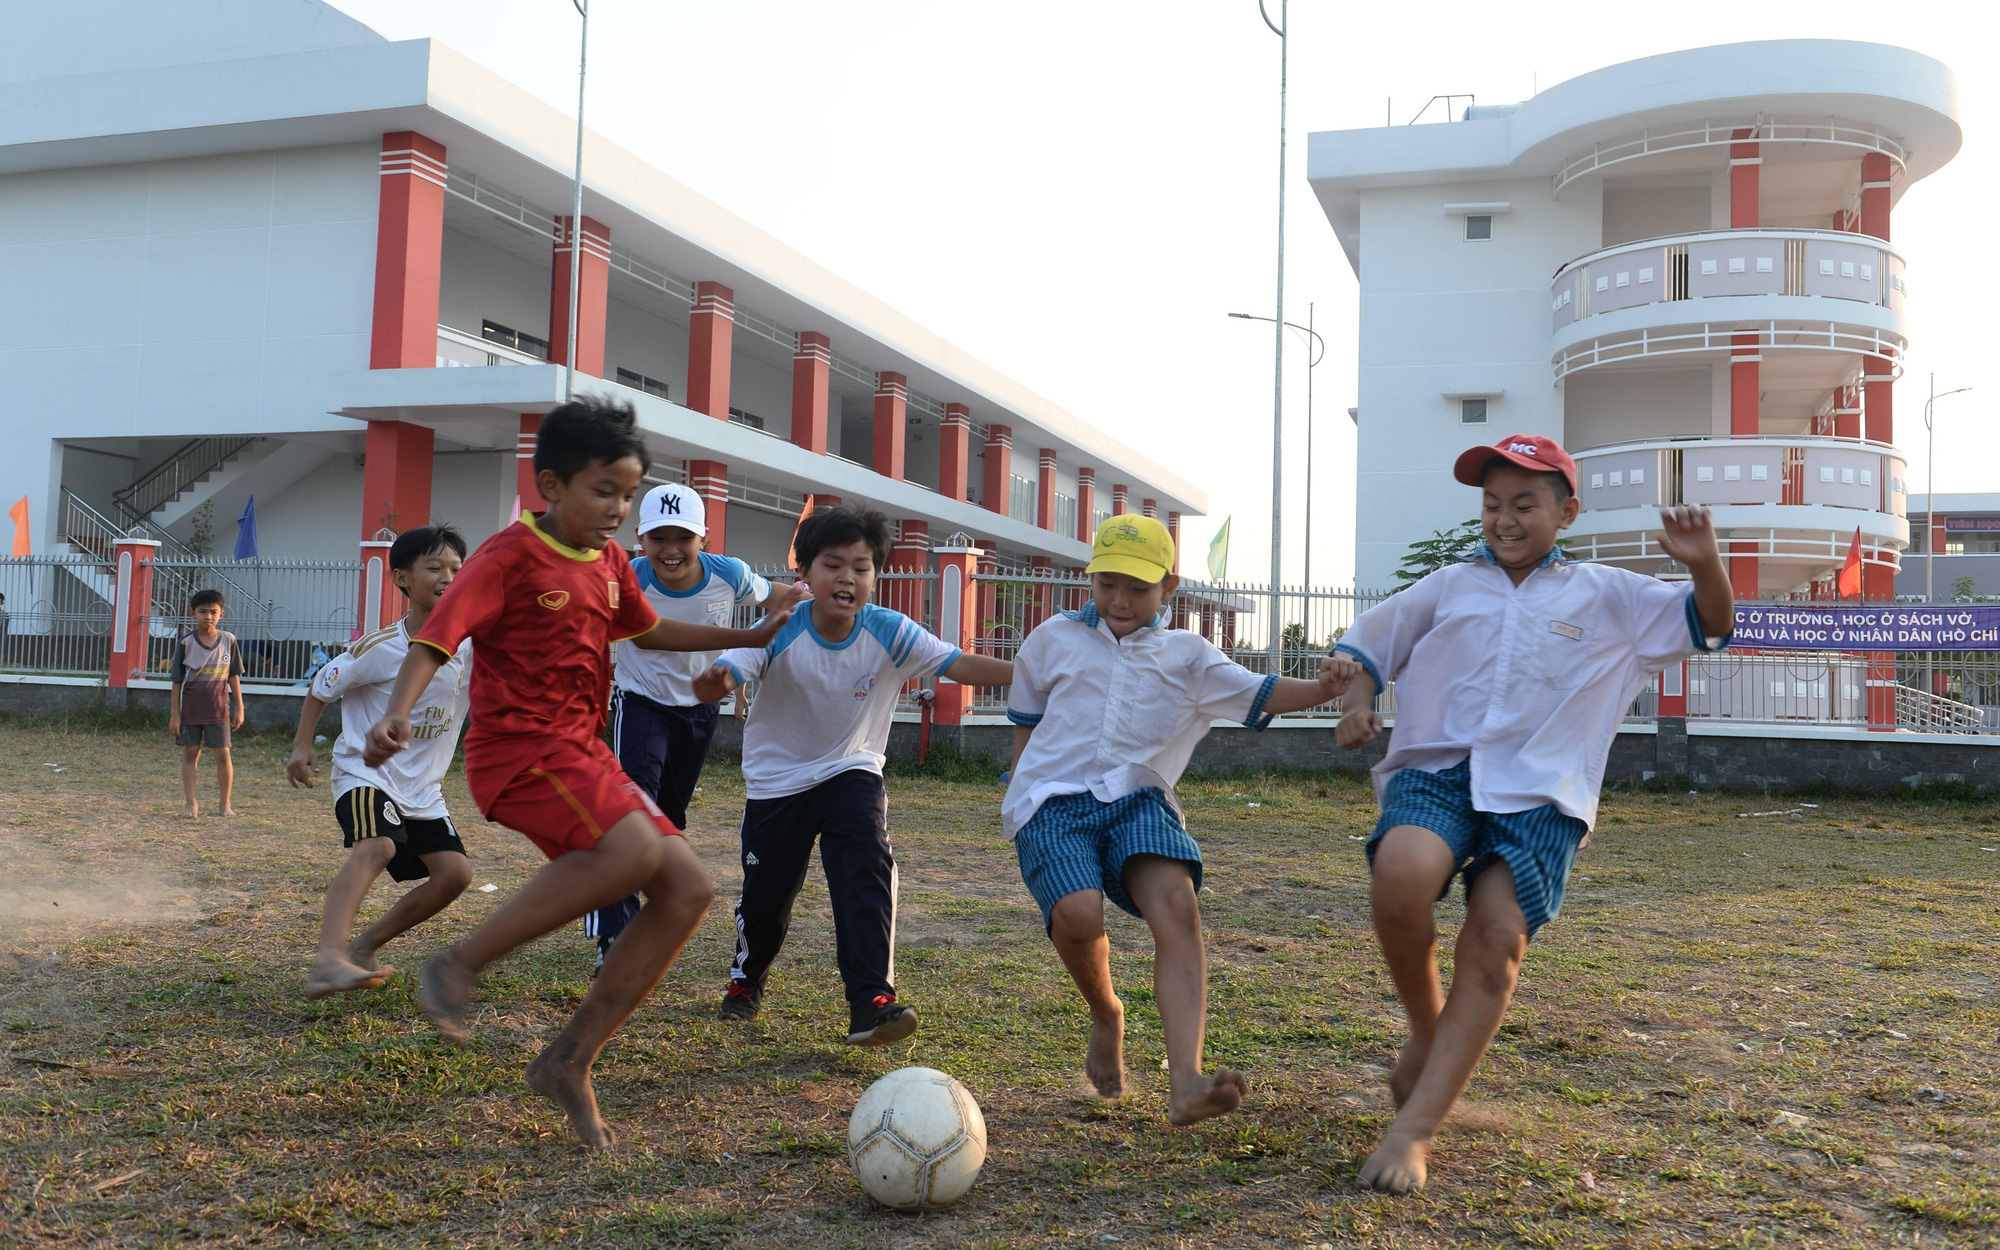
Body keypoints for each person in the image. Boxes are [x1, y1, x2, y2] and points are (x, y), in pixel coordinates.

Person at [362, 397, 803, 1150]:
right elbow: (437, 637)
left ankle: (570, 1060)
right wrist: (396, 711)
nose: (618, 510)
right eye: (605, 491)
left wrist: (750, 632)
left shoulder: (606, 563)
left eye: (627, 495)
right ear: (551, 485)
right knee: (631, 855)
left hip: (582, 753)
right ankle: (459, 962)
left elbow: (649, 628)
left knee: (687, 889)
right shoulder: (506, 557)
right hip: (521, 753)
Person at [1328, 433, 1733, 1194]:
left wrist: (1703, 562)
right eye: (1492, 504)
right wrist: (1356, 700)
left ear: (1566, 511)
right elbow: (1368, 648)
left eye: (1524, 504)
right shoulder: (1448, 585)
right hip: (1439, 770)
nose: (1505, 519)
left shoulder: (1609, 595)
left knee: (1496, 942)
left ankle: (1414, 1131)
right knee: (1401, 873)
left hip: (1543, 795)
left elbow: (1709, 625)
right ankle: (1426, 1030)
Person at [1004, 514, 1356, 1125]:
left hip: (1138, 797)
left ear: (1169, 587)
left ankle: (1187, 1081)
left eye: (1138, 589)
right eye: (1107, 583)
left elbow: (1264, 692)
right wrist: (1019, 798)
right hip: (1053, 799)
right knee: (1078, 913)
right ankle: (1106, 1013)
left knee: (1177, 902)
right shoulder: (1052, 638)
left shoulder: (1189, 657)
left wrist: (1327, 686)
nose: (1119, 600)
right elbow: (1025, 720)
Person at [692, 506, 1013, 1046]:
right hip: (779, 783)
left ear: (875, 576)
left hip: (852, 769)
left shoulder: (889, 630)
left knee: (865, 864)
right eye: (833, 564)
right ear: (807, 576)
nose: (847, 578)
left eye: (861, 567)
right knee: (767, 898)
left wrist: (1037, 676)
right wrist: (719, 680)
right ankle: (746, 981)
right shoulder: (782, 628)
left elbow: (956, 664)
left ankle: (871, 1000)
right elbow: (736, 667)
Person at [585, 482, 775, 972]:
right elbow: (644, 641)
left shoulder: (729, 575)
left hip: (699, 709)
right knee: (630, 813)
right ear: (640, 540)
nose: (671, 550)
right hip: (641, 704)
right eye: (659, 538)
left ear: (704, 540)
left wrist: (792, 607)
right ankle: (614, 932)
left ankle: (646, 910)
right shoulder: (628, 580)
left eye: (683, 537)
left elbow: (775, 600)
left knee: (667, 820)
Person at [287, 525, 473, 999]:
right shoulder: (380, 647)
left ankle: (365, 947)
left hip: (423, 788)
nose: (448, 577)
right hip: (365, 772)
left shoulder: (474, 647)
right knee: (378, 848)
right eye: (434, 567)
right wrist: (302, 745)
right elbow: (321, 685)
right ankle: (328, 960)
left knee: (456, 875)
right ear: (402, 580)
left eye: (456, 568)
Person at [168, 588, 245, 818]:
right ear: (192, 613)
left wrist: (239, 707)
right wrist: (175, 715)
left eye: (213, 612)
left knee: (222, 755)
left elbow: (233, 676)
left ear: (222, 613)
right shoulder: (185, 643)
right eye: (202, 612)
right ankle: (191, 803)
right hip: (190, 711)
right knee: (191, 753)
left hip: (219, 710)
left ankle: (225, 804)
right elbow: (176, 681)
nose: (208, 617)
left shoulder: (229, 641)